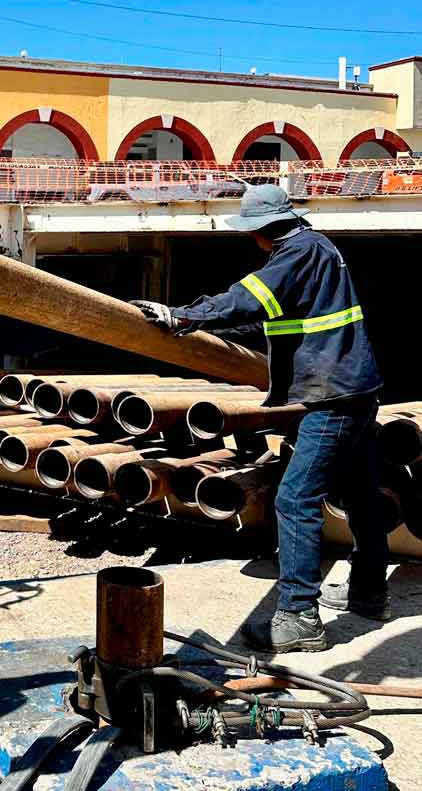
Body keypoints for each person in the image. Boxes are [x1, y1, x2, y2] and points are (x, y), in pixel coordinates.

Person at [132, 184, 389, 653]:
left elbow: (248, 297)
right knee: (360, 494)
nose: (251, 239)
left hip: (333, 396)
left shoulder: (297, 252)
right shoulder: (317, 247)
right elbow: (269, 314)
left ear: (263, 230)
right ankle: (369, 593)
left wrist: (182, 316)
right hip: (353, 388)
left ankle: (299, 616)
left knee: (294, 498)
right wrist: (202, 325)